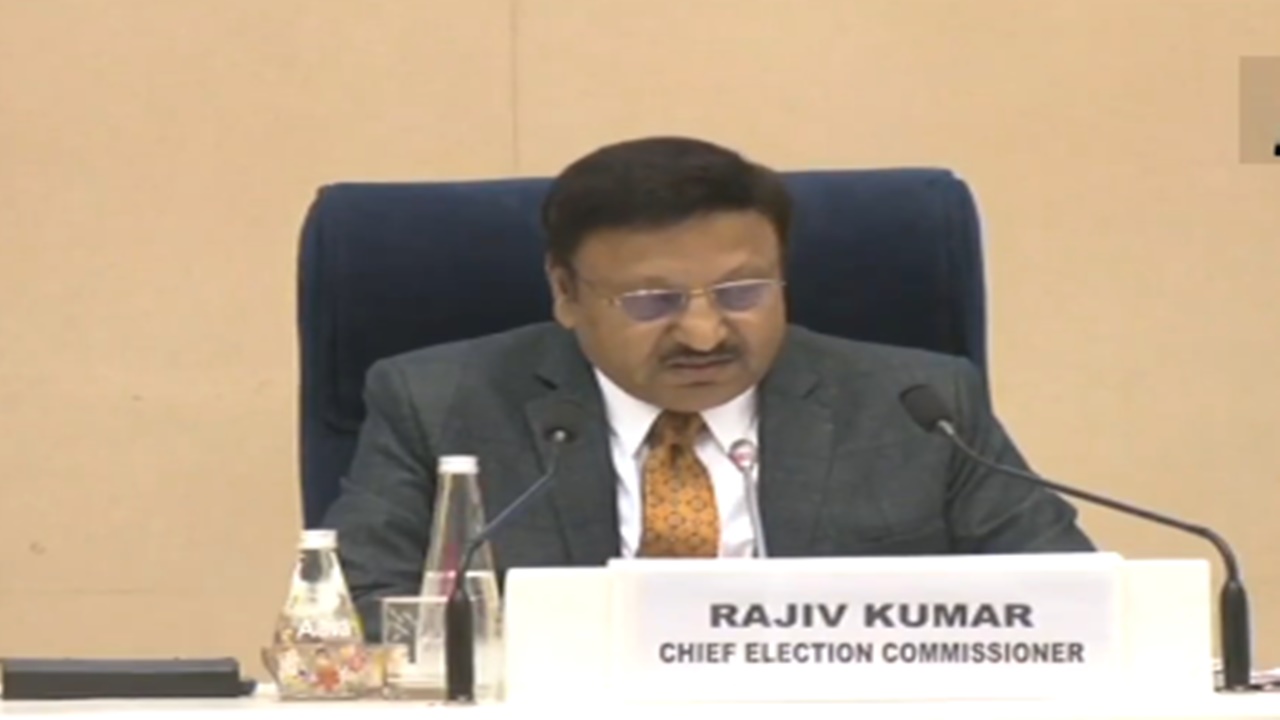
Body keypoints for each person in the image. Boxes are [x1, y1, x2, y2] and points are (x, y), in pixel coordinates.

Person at [322, 136, 1095, 638]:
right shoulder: (437, 403)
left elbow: (1068, 602)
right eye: (651, 301)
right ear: (565, 291)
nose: (703, 333)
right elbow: (362, 612)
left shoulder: (920, 406)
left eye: (742, 292)